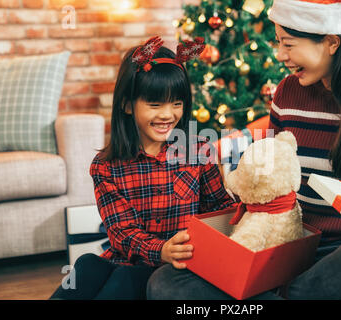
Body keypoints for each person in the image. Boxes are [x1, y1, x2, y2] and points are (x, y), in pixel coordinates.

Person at [146, 0, 341, 300]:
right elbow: (272, 175)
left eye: (288, 44)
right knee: (167, 283)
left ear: (330, 42)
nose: (280, 56)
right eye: (278, 43)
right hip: (289, 245)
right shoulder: (288, 92)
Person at [50, 36, 234, 300]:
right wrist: (160, 248)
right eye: (155, 104)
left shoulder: (199, 151)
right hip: (130, 257)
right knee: (88, 264)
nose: (168, 115)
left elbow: (220, 210)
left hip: (172, 269)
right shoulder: (106, 167)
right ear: (127, 105)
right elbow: (122, 232)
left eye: (177, 103)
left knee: (124, 277)